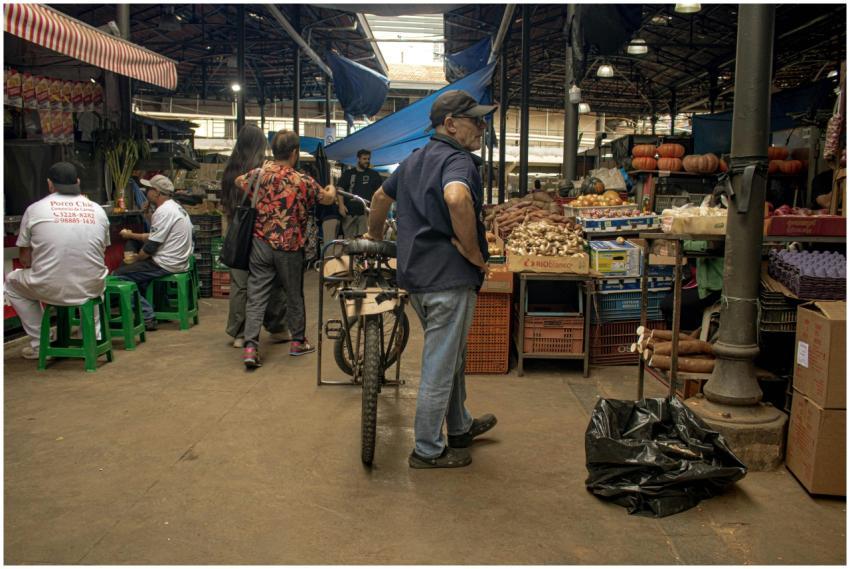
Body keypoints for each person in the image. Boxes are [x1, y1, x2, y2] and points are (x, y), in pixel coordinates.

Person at [365, 90, 499, 469]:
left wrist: (374, 237)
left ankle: (459, 426)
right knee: (441, 364)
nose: (482, 127)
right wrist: (473, 254)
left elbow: (378, 197)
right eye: (476, 120)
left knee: (452, 357)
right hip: (449, 279)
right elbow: (457, 199)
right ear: (451, 124)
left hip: (419, 279)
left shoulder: (413, 161)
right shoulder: (459, 160)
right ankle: (427, 449)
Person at [236, 130, 337, 368]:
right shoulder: (301, 180)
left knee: (257, 295)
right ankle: (298, 342)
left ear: (273, 151)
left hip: (260, 244)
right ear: (294, 153)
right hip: (289, 246)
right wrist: (332, 190)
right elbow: (326, 199)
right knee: (294, 294)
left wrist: (260, 196)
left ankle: (250, 347)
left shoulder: (259, 174)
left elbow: (238, 181)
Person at [5, 162, 110, 359]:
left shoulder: (35, 209)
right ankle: (93, 336)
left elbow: (25, 259)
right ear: (78, 182)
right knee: (97, 277)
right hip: (90, 287)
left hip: (49, 288)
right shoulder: (98, 210)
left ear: (50, 184)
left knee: (11, 282)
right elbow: (101, 249)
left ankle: (40, 343)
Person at [220, 125, 289, 348]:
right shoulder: (263, 169)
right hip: (262, 231)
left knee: (240, 283)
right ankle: (277, 327)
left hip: (237, 230)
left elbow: (226, 206)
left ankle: (239, 333)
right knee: (270, 279)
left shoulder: (230, 170)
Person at [113, 174, 193, 331]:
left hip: (166, 263)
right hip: (177, 260)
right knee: (133, 249)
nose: (146, 191)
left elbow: (151, 247)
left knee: (118, 276)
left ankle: (147, 315)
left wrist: (137, 258)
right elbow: (157, 234)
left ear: (156, 192)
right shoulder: (174, 207)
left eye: (149, 189)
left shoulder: (164, 211)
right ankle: (149, 302)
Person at [338, 149, 382, 238]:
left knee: (364, 241)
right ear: (358, 159)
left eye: (368, 159)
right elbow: (340, 189)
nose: (367, 161)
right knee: (348, 241)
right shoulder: (348, 173)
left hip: (365, 214)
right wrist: (341, 205)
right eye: (364, 159)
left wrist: (375, 209)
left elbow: (379, 193)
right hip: (349, 213)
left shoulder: (374, 175)